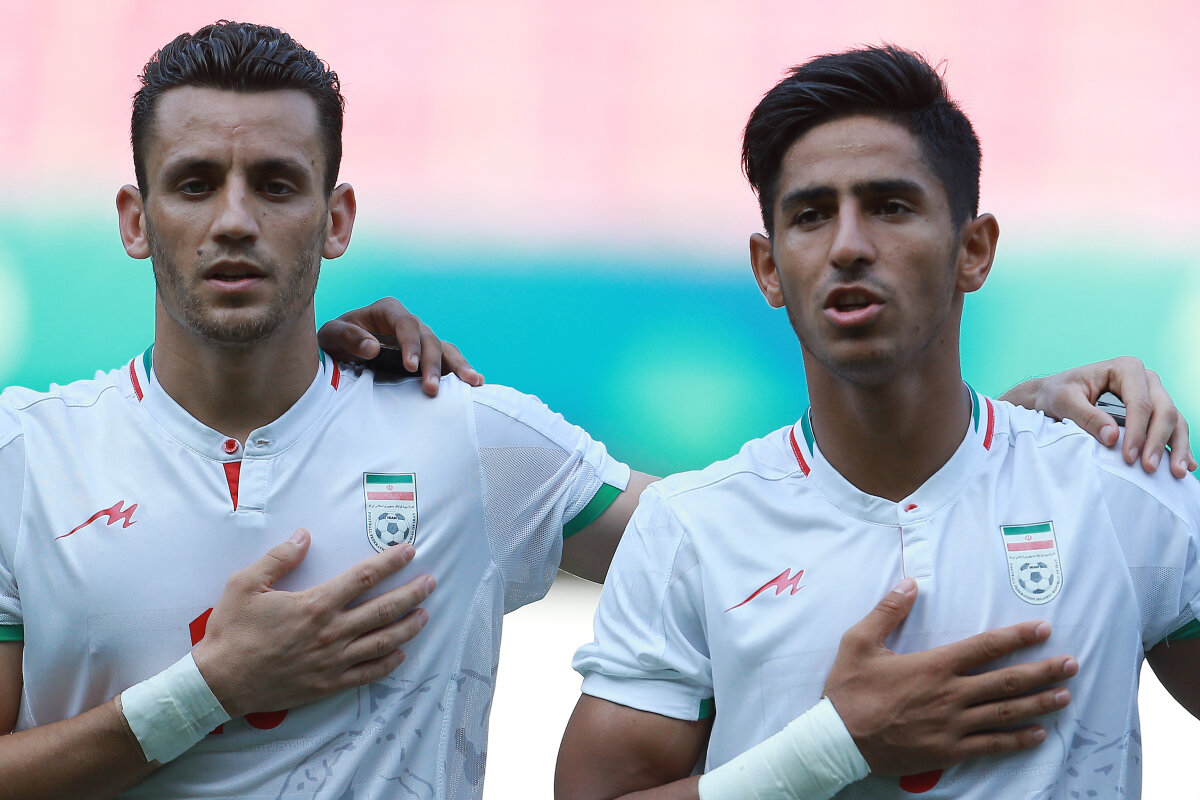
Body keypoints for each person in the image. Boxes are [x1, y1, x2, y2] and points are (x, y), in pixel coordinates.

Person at [0, 23, 1185, 800]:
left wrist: (1013, 434)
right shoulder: (24, 457)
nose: (234, 219)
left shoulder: (465, 436)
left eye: (275, 183)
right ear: (134, 218)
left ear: (337, 216)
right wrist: (205, 688)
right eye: (194, 183)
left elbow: (777, 522)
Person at [556, 46, 1200, 800]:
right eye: (810, 215)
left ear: (974, 250)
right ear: (769, 268)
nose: (849, 246)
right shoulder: (689, 530)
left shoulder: (1120, 490)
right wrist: (829, 749)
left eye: (891, 207)